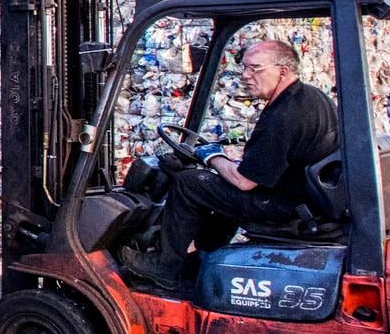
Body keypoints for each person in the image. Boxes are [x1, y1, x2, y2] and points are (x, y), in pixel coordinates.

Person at [120, 39, 338, 294]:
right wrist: (222, 162)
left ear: (283, 71)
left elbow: (245, 181)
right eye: (244, 68)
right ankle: (204, 256)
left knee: (190, 182)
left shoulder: (283, 117)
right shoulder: (310, 97)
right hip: (301, 198)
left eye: (255, 69)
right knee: (217, 186)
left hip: (284, 207)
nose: (246, 76)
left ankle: (165, 267)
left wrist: (212, 156)